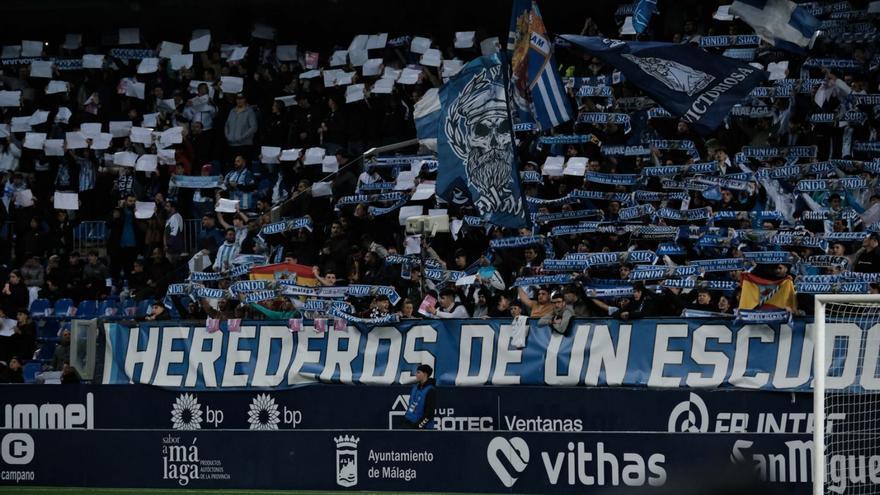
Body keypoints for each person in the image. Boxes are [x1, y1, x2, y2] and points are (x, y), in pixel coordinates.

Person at [401, 364, 436, 429]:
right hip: (408, 423)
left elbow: (429, 414)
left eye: (418, 372)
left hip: (422, 428)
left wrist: (418, 426)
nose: (416, 374)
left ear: (425, 374)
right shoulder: (415, 388)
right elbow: (411, 406)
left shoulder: (430, 390)